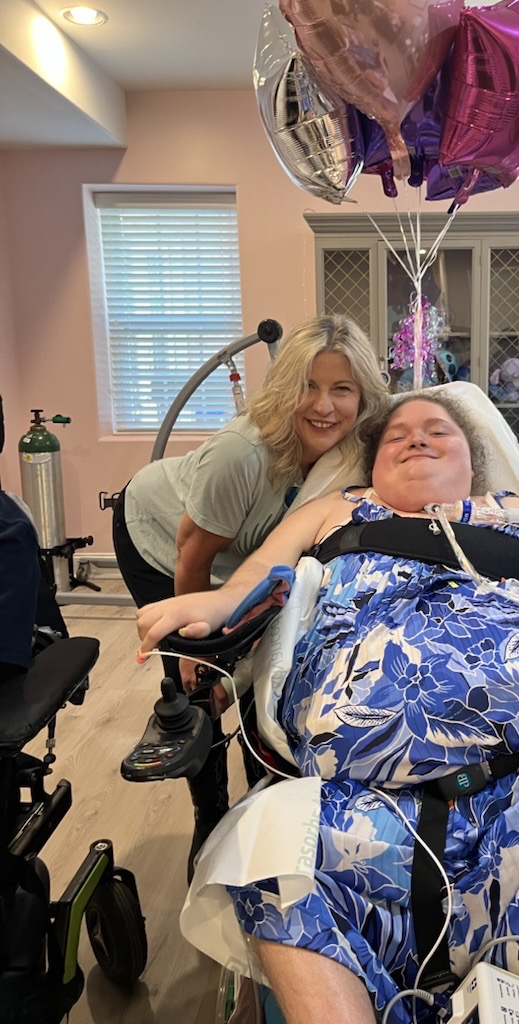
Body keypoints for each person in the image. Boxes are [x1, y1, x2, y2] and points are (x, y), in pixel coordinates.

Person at [136, 394, 519, 1024]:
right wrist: (213, 604)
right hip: (367, 782)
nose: (416, 439)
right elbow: (258, 574)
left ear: (473, 463)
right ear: (372, 467)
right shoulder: (337, 508)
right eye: (396, 435)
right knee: (269, 847)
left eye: (437, 431)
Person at [114, 314, 389, 878]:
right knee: (200, 682)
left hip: (245, 556)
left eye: (342, 389)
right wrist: (196, 654)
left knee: (261, 668)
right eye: (308, 386)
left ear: (362, 396)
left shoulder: (354, 448)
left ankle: (260, 804)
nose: (324, 405)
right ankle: (210, 816)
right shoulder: (244, 452)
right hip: (161, 536)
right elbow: (192, 549)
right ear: (285, 387)